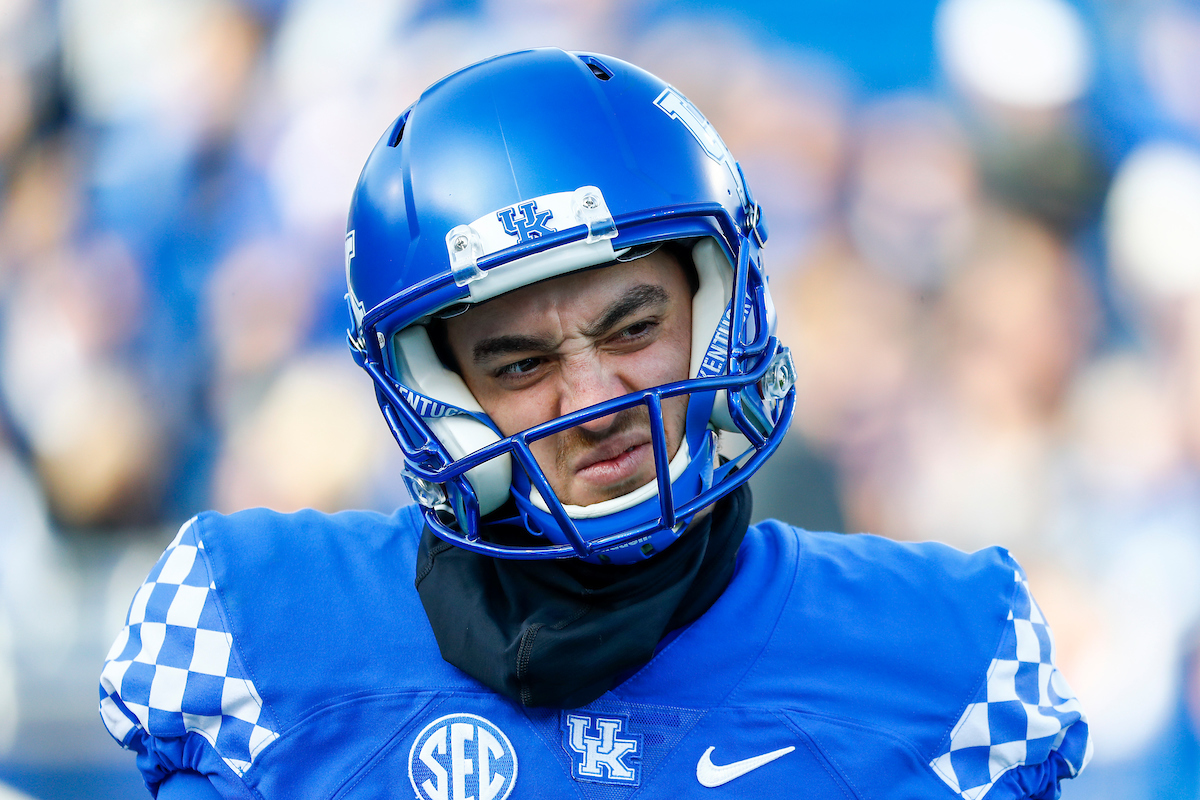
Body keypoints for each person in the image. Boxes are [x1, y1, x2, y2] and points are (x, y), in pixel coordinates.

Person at [98, 48, 1091, 799]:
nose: (595, 396)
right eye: (520, 362)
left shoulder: (945, 654)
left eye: (635, 325)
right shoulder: (257, 622)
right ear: (434, 390)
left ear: (717, 310)